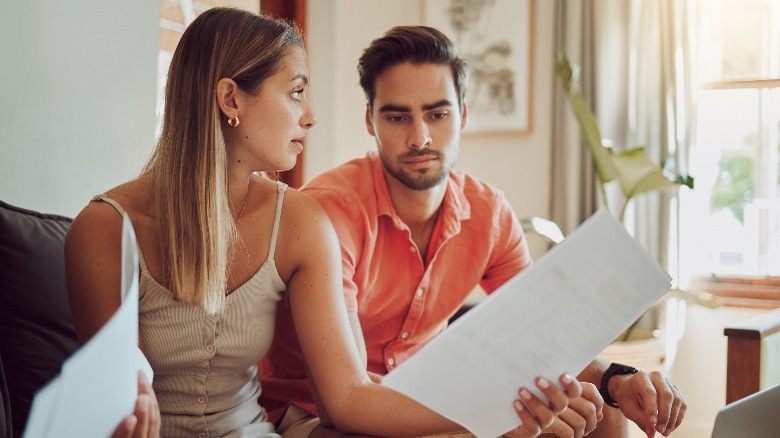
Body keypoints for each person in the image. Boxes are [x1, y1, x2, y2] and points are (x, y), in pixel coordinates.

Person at [64, 8, 581, 438]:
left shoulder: (297, 221)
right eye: (296, 92)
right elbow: (106, 401)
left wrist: (494, 412)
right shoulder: (104, 229)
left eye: (438, 114)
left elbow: (348, 398)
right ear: (230, 101)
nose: (310, 116)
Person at [259, 25, 687, 438]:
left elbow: (541, 335)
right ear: (370, 121)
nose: (419, 137)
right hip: (318, 414)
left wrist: (619, 381)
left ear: (462, 115)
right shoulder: (331, 211)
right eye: (397, 117)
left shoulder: (490, 213)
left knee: (600, 412)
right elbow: (349, 403)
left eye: (437, 113)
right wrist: (489, 418)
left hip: (426, 396)